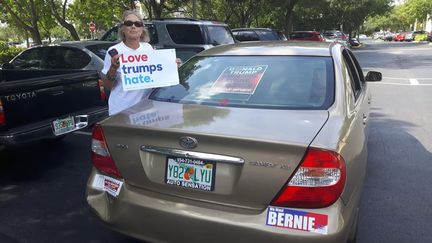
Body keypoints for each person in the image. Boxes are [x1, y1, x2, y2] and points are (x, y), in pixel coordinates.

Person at [102, 10, 180, 116]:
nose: (133, 27)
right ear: (123, 29)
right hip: (121, 111)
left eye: (137, 24)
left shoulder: (148, 48)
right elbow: (107, 86)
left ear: (142, 29)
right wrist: (113, 68)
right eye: (129, 23)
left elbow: (156, 77)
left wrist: (171, 67)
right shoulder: (114, 51)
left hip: (145, 111)